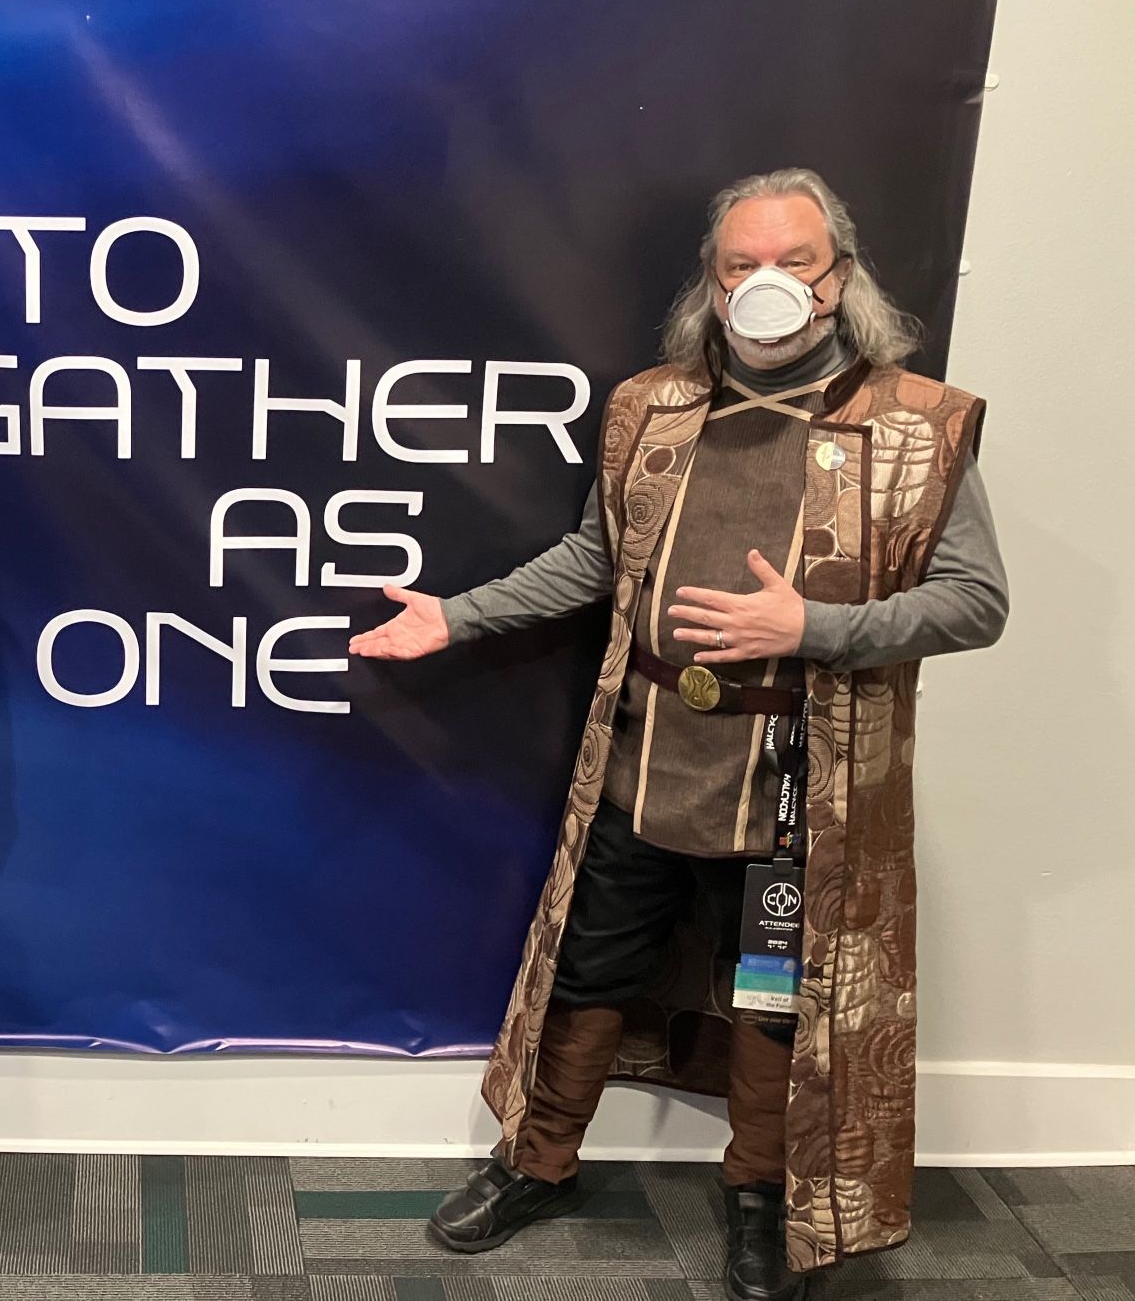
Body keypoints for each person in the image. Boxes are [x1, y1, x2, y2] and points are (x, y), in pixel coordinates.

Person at [351, 170, 1007, 1301]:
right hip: (646, 763)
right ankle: (536, 1162)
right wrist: (452, 618)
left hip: (797, 793)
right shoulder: (648, 408)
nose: (765, 285)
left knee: (768, 995)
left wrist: (814, 626)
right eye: (738, 264)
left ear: (836, 278)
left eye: (792, 262)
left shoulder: (917, 428)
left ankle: (755, 1196)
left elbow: (973, 601)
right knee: (588, 969)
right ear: (710, 284)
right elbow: (595, 563)